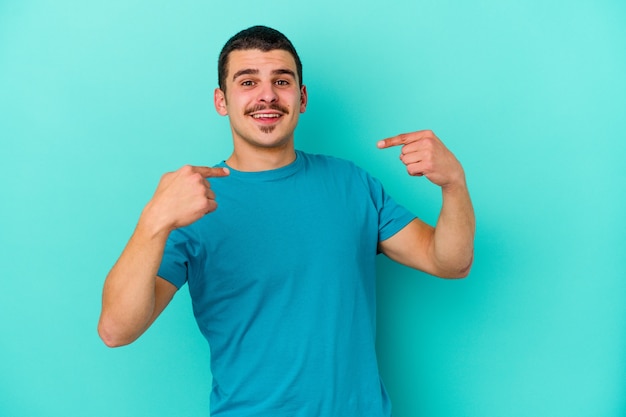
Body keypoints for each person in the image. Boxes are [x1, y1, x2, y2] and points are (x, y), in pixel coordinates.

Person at [98, 25, 475, 417]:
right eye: (248, 81)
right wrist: (153, 221)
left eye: (282, 80)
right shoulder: (191, 202)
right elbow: (116, 330)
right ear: (221, 100)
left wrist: (454, 184)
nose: (267, 95)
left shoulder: (351, 183)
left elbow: (449, 261)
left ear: (302, 97)